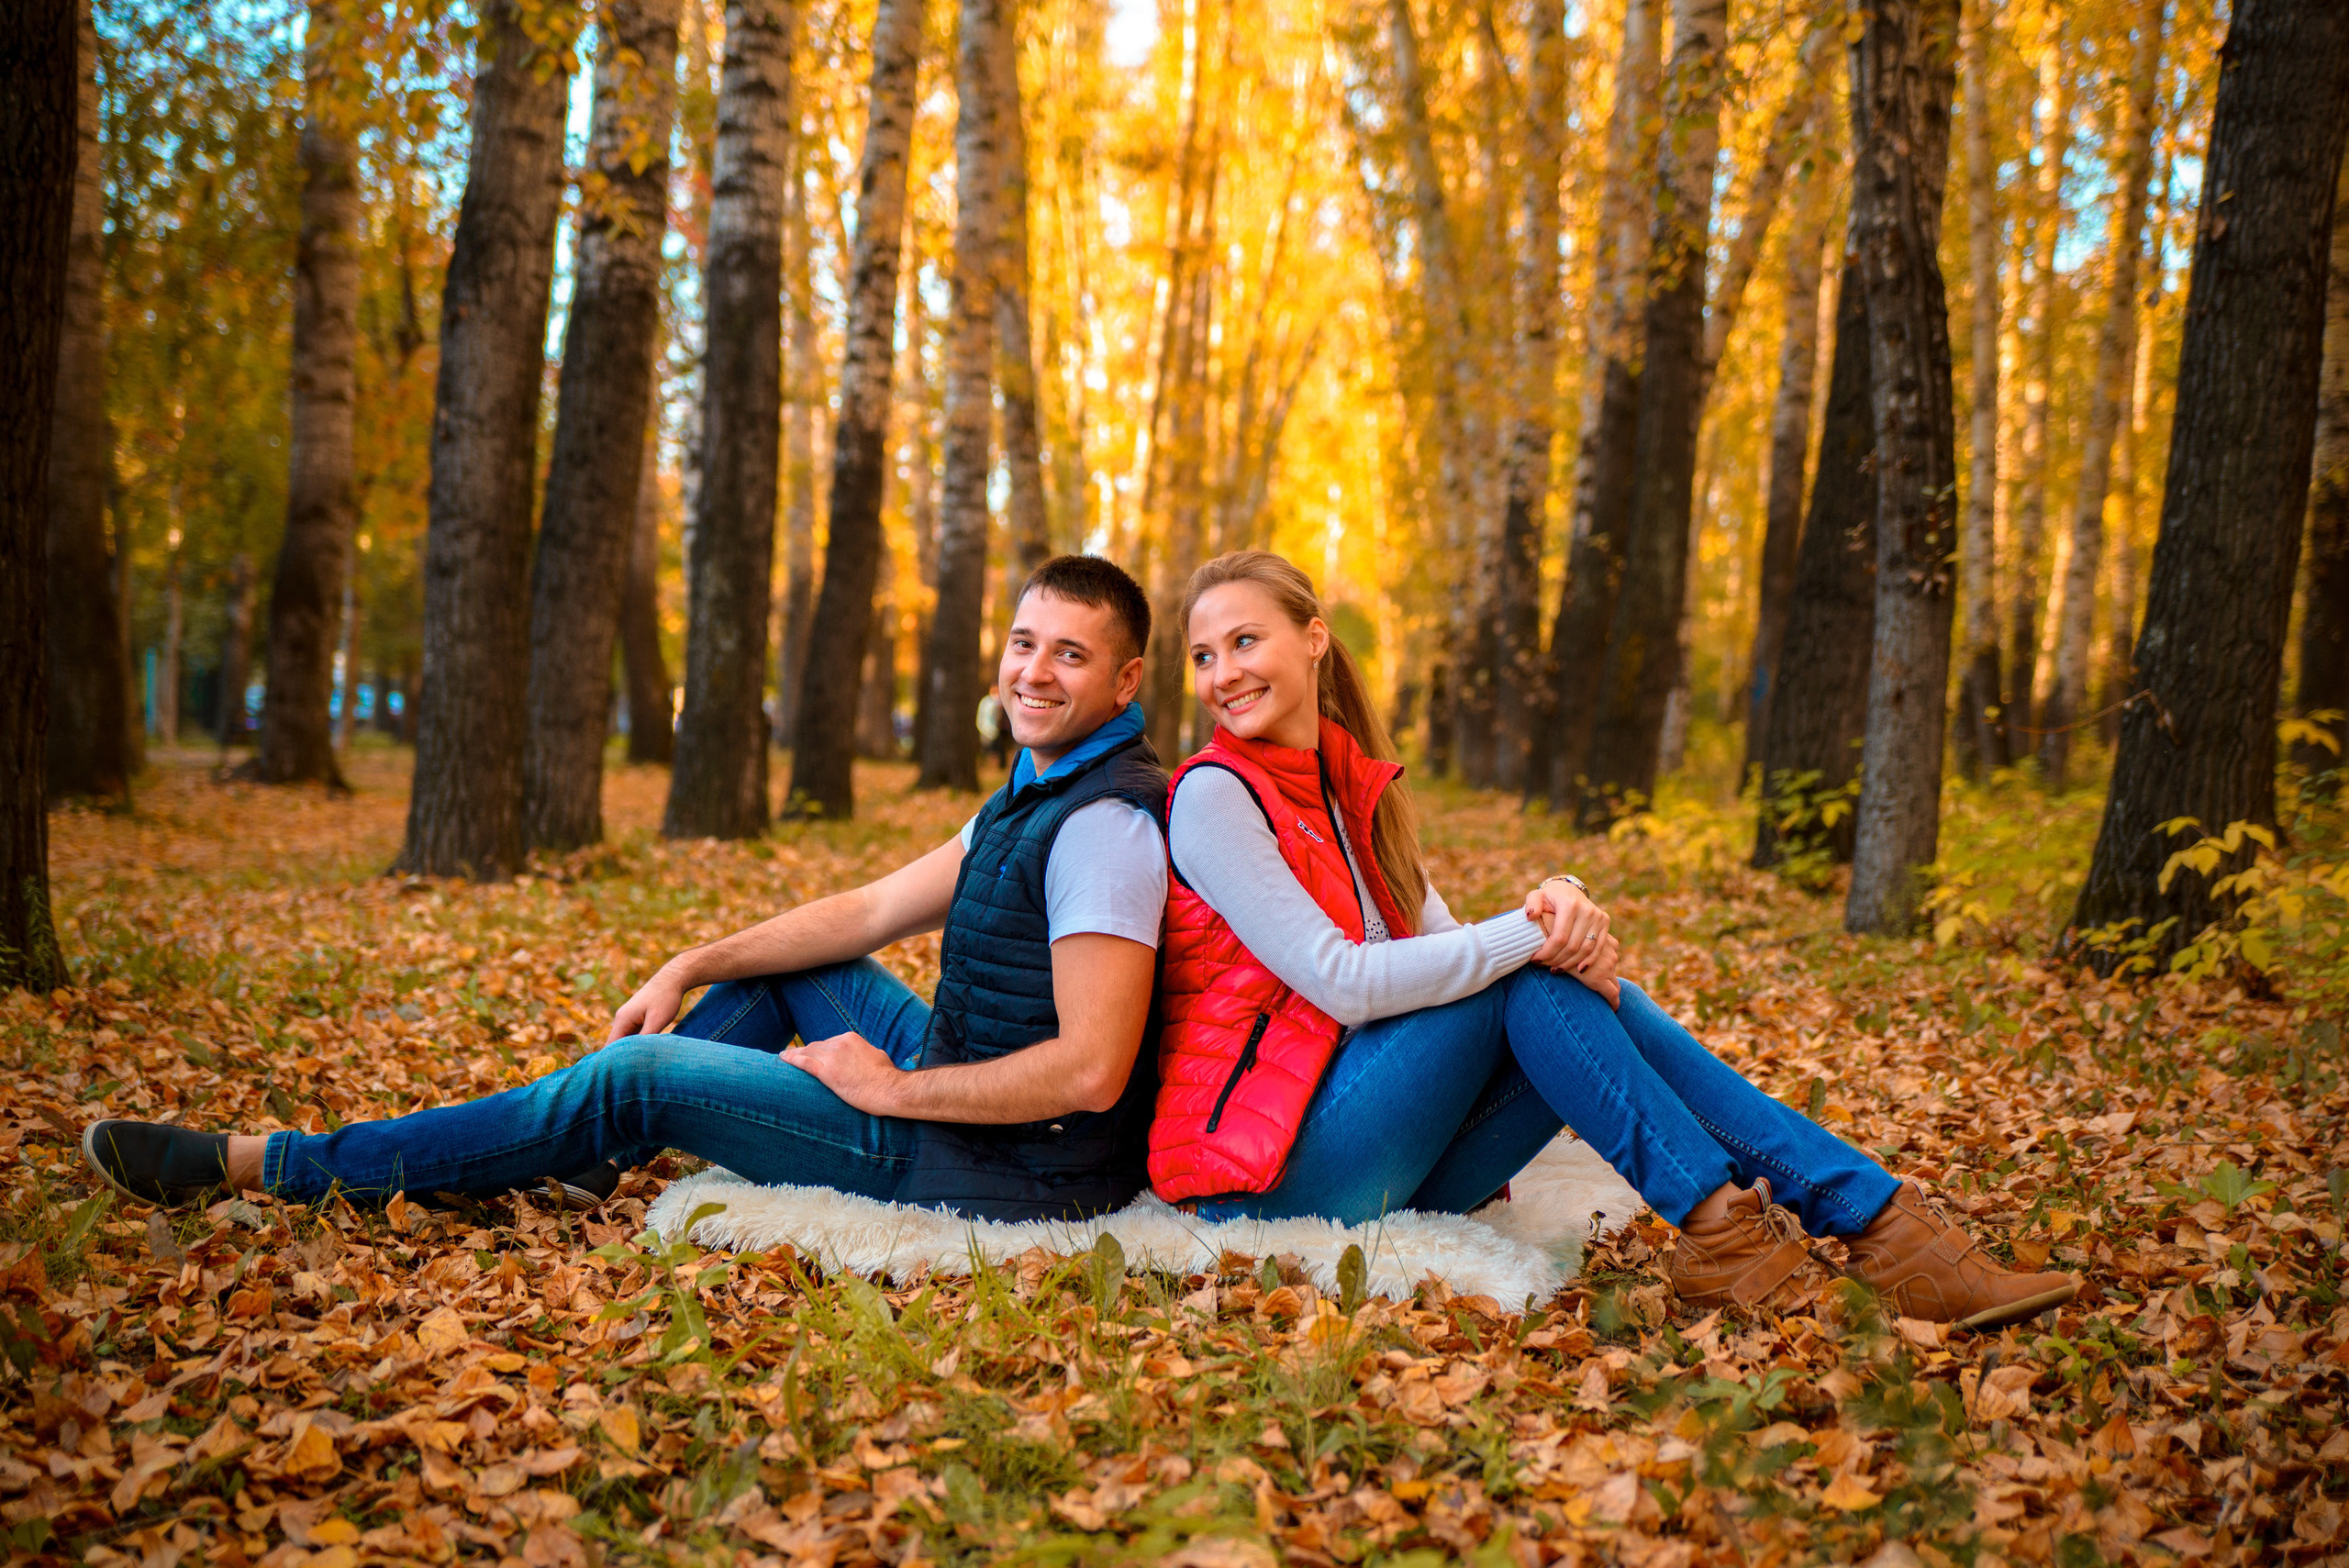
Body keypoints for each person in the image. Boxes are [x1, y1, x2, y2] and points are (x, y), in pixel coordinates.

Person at [84, 557, 1173, 1224]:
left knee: (635, 1074)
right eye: (1024, 641)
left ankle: (267, 1164)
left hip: (996, 1173)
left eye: (1070, 655)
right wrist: (690, 960)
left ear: (1125, 681)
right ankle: (583, 1154)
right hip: (966, 1098)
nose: (1033, 671)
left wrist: (889, 1091)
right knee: (800, 964)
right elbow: (870, 910)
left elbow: (1090, 1066)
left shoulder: (1105, 829)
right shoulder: (1035, 791)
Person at [1151, 550, 2078, 1329]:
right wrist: (1538, 928)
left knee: (1563, 990)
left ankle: (1824, 1229)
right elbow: (1345, 982)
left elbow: (1444, 941)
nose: (1222, 671)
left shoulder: (1354, 789)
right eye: (1202, 655)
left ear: (1312, 637)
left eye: (1244, 639)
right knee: (1530, 977)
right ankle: (1841, 1221)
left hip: (1388, 1142)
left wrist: (1560, 904)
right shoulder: (1212, 796)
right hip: (1266, 1179)